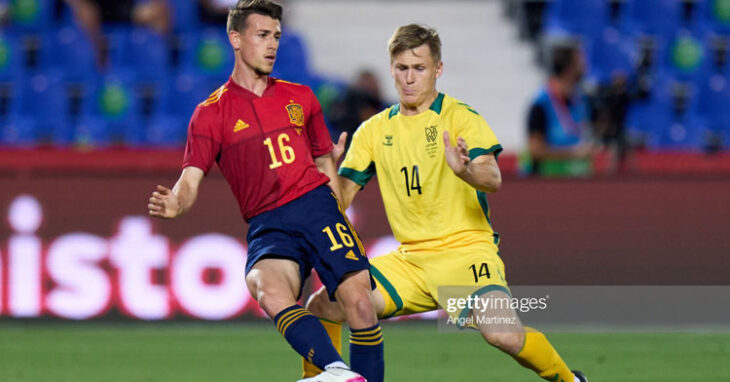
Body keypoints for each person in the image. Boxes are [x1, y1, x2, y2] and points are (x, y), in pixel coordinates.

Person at [302, 24, 588, 382]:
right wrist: (325, 167)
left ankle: (569, 380)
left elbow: (493, 178)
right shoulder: (374, 130)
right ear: (391, 68)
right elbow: (339, 200)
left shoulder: (459, 117)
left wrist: (465, 170)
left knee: (503, 334)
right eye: (402, 68)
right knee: (323, 304)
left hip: (466, 253)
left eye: (419, 68)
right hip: (411, 262)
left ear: (437, 70)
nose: (409, 78)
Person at [146, 2, 382, 381]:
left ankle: (337, 373)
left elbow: (324, 164)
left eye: (276, 36)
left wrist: (337, 209)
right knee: (266, 289)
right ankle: (338, 371)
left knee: (360, 305)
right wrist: (177, 202)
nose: (272, 45)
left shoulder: (300, 97)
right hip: (267, 223)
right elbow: (190, 179)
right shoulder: (210, 114)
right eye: (262, 35)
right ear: (236, 39)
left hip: (317, 207)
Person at [525, 40, 597, 177]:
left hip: (577, 181)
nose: (585, 65)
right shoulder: (541, 104)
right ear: (569, 68)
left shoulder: (581, 99)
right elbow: (535, 150)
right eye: (580, 62)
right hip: (546, 184)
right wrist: (573, 153)